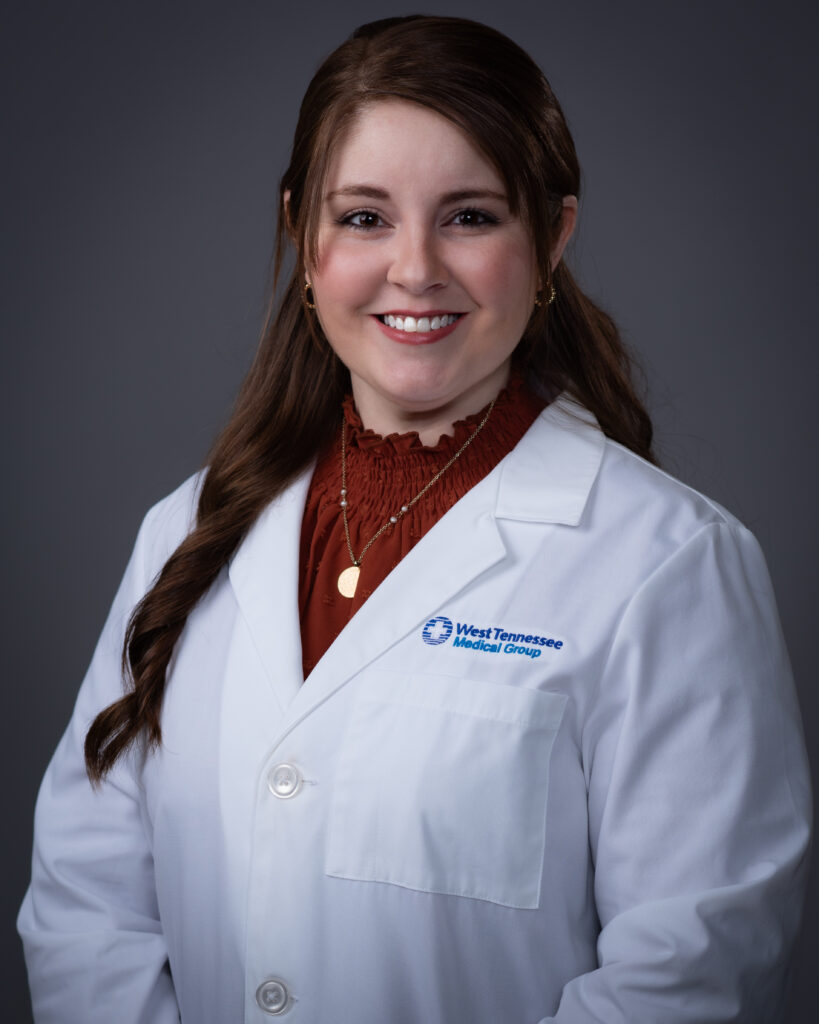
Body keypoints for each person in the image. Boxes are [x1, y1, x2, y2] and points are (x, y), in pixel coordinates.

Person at [18, 14, 811, 1024]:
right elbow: (86, 907)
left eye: (471, 216)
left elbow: (694, 967)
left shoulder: (672, 565)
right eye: (364, 218)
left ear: (552, 237)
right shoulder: (186, 533)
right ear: (303, 240)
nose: (415, 267)